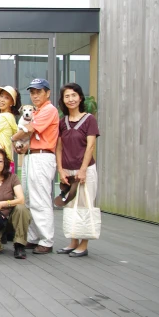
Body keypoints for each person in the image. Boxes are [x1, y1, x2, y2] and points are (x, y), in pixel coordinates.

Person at [13, 78, 59, 254]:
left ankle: (46, 240)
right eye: (32, 92)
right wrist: (23, 147)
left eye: (39, 91)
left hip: (43, 156)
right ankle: (33, 237)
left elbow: (30, 129)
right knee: (30, 198)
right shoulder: (38, 111)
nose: (35, 95)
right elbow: (31, 136)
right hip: (32, 155)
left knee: (40, 199)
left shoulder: (49, 109)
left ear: (47, 93)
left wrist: (13, 138)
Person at [56, 83, 100, 257]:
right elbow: (58, 148)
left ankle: (84, 244)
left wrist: (82, 170)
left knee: (84, 205)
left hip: (85, 170)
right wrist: (60, 170)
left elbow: (91, 146)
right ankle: (73, 242)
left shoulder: (89, 119)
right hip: (68, 170)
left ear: (80, 97)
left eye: (74, 95)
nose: (71, 99)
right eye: (67, 96)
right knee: (70, 206)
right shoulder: (62, 122)